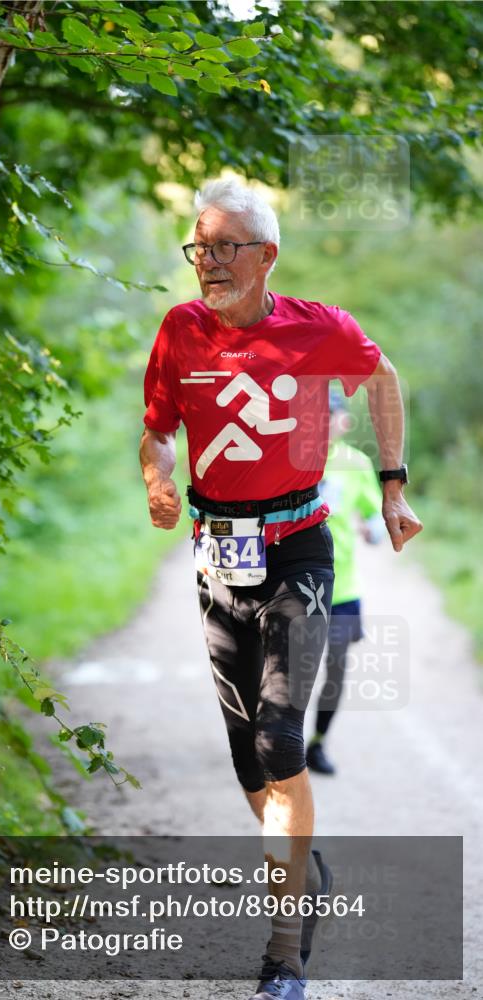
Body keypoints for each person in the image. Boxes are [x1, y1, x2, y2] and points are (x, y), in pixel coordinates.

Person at [139, 176, 422, 1000]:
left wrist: (394, 484)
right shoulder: (179, 331)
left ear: (265, 256)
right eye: (198, 247)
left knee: (279, 740)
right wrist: (156, 480)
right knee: (247, 764)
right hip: (215, 557)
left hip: (299, 547)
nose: (207, 263)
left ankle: (284, 954)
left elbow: (383, 379)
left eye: (225, 247)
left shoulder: (316, 327)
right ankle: (305, 863)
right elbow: (157, 429)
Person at [306, 391, 385, 776]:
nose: (323, 422)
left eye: (330, 415)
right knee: (285, 670)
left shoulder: (357, 463)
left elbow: (373, 515)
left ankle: (317, 744)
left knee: (335, 670)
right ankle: (272, 743)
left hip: (343, 585)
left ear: (344, 422)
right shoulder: (292, 461)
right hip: (295, 584)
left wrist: (374, 530)